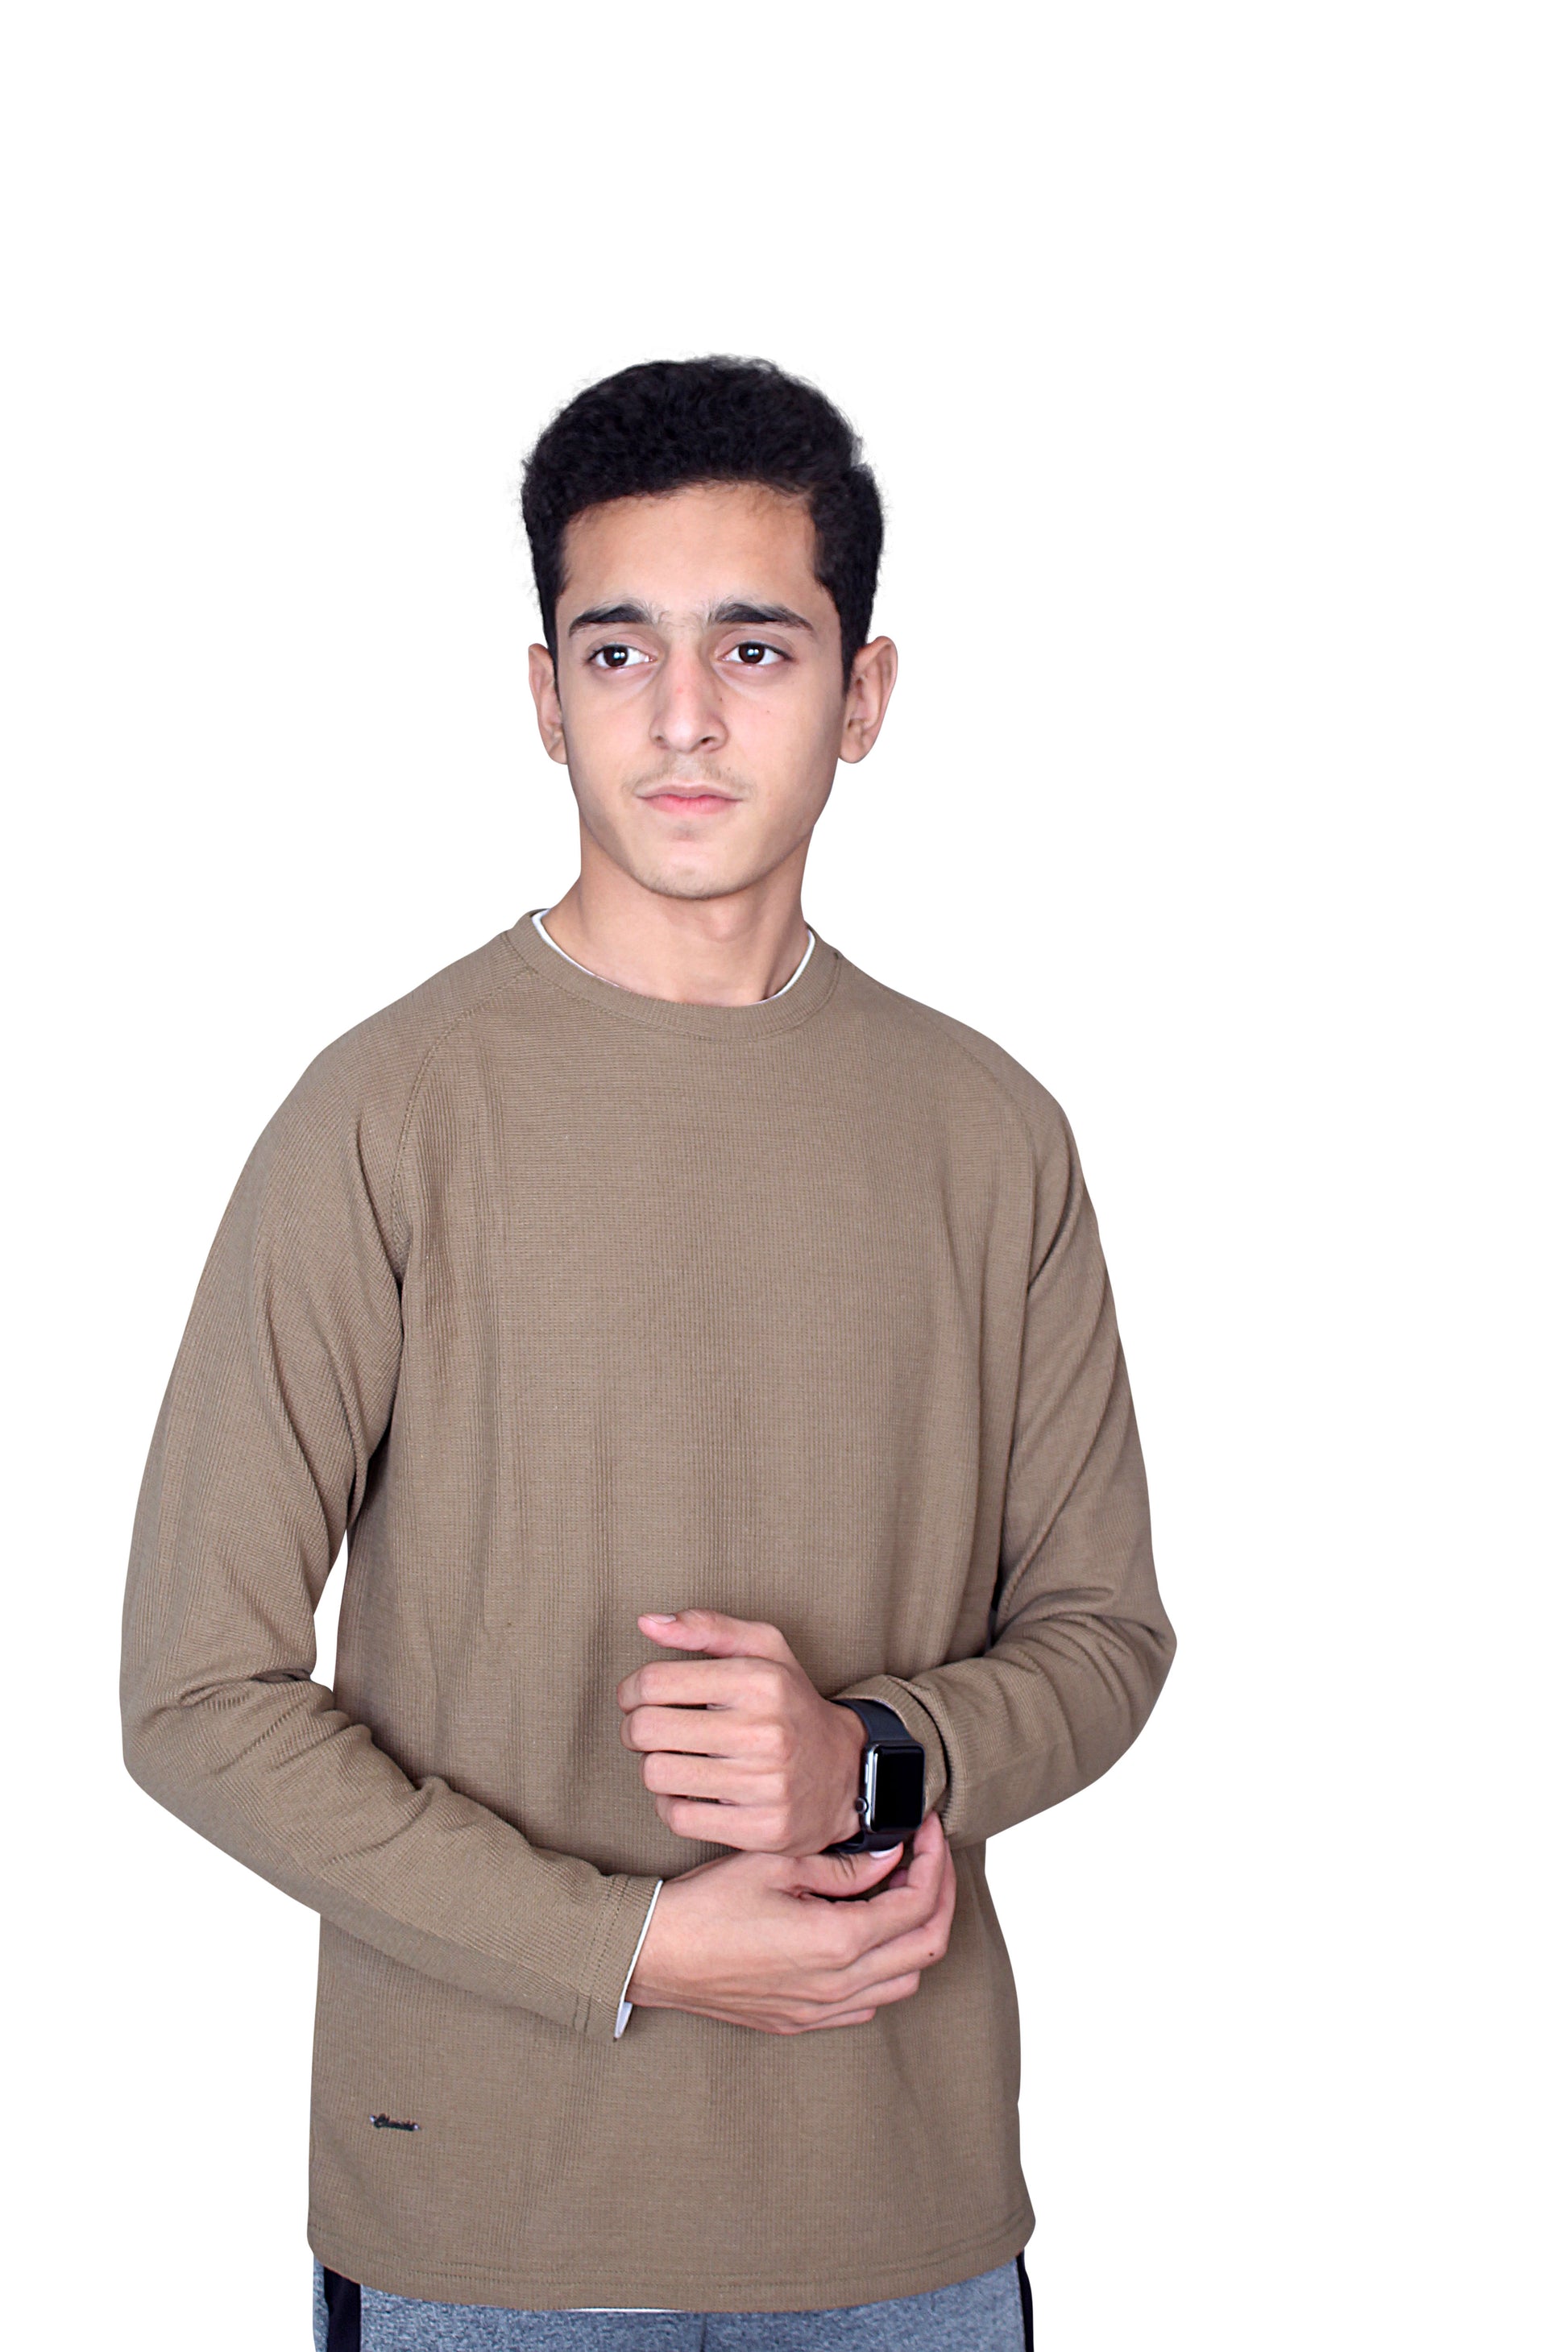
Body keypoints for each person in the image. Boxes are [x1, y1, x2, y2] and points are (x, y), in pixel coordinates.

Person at [121, 355, 1176, 2350]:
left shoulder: (989, 1131)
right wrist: (627, 1944)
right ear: (546, 694)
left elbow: (1104, 1634)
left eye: (754, 647)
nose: (683, 714)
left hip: (901, 2215)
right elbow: (194, 1691)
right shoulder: (385, 1112)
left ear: (862, 694)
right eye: (620, 650)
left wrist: (872, 1756)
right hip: (486, 2220)